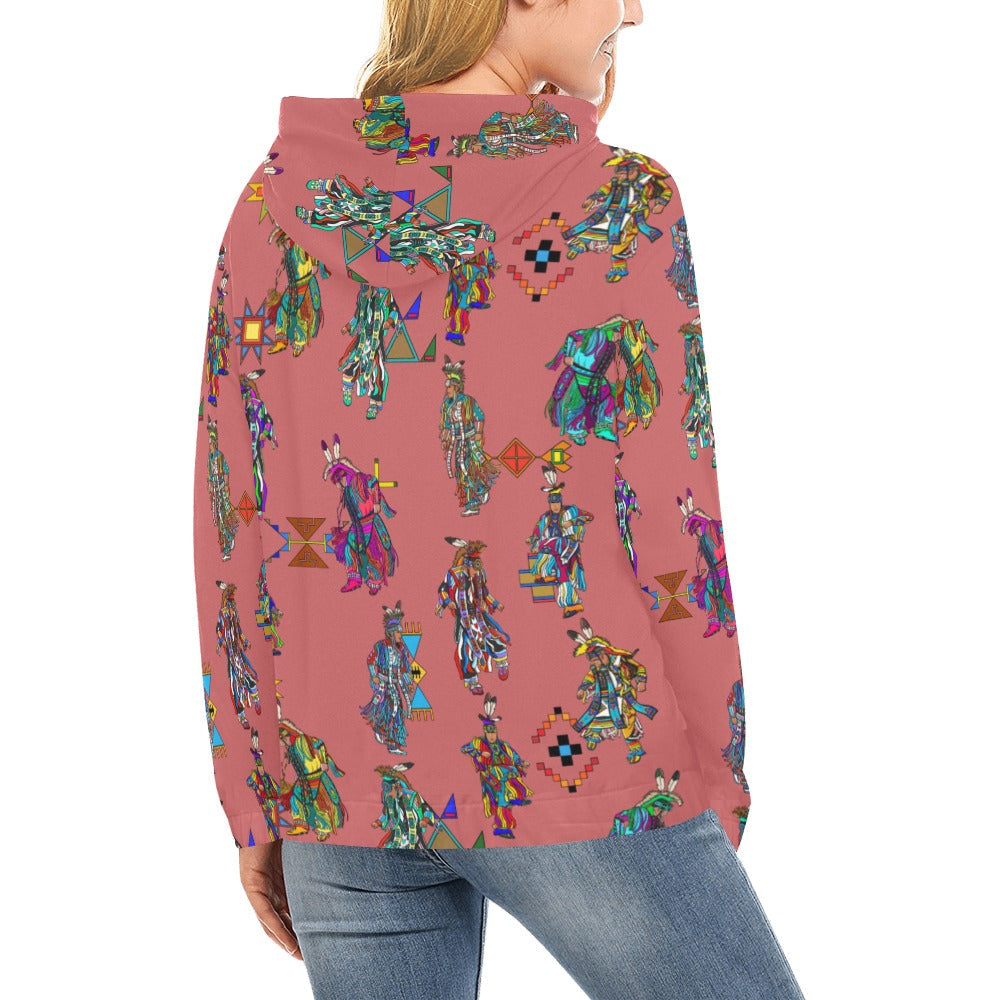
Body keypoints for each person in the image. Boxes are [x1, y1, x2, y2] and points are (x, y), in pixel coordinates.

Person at [190, 1, 808, 996]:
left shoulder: (277, 201)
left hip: (338, 778)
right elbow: (673, 518)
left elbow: (234, 512)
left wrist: (258, 789)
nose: (634, 10)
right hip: (581, 767)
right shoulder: (618, 205)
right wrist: (714, 774)